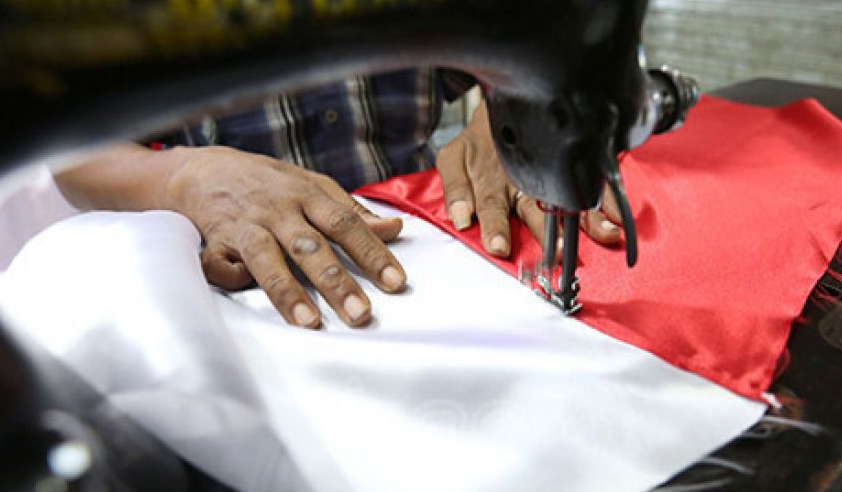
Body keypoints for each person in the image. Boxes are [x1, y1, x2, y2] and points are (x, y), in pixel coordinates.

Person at [55, 68, 623, 329]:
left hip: (432, 234)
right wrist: (184, 176)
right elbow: (68, 143)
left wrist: (507, 119)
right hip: (245, 276)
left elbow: (524, 53)